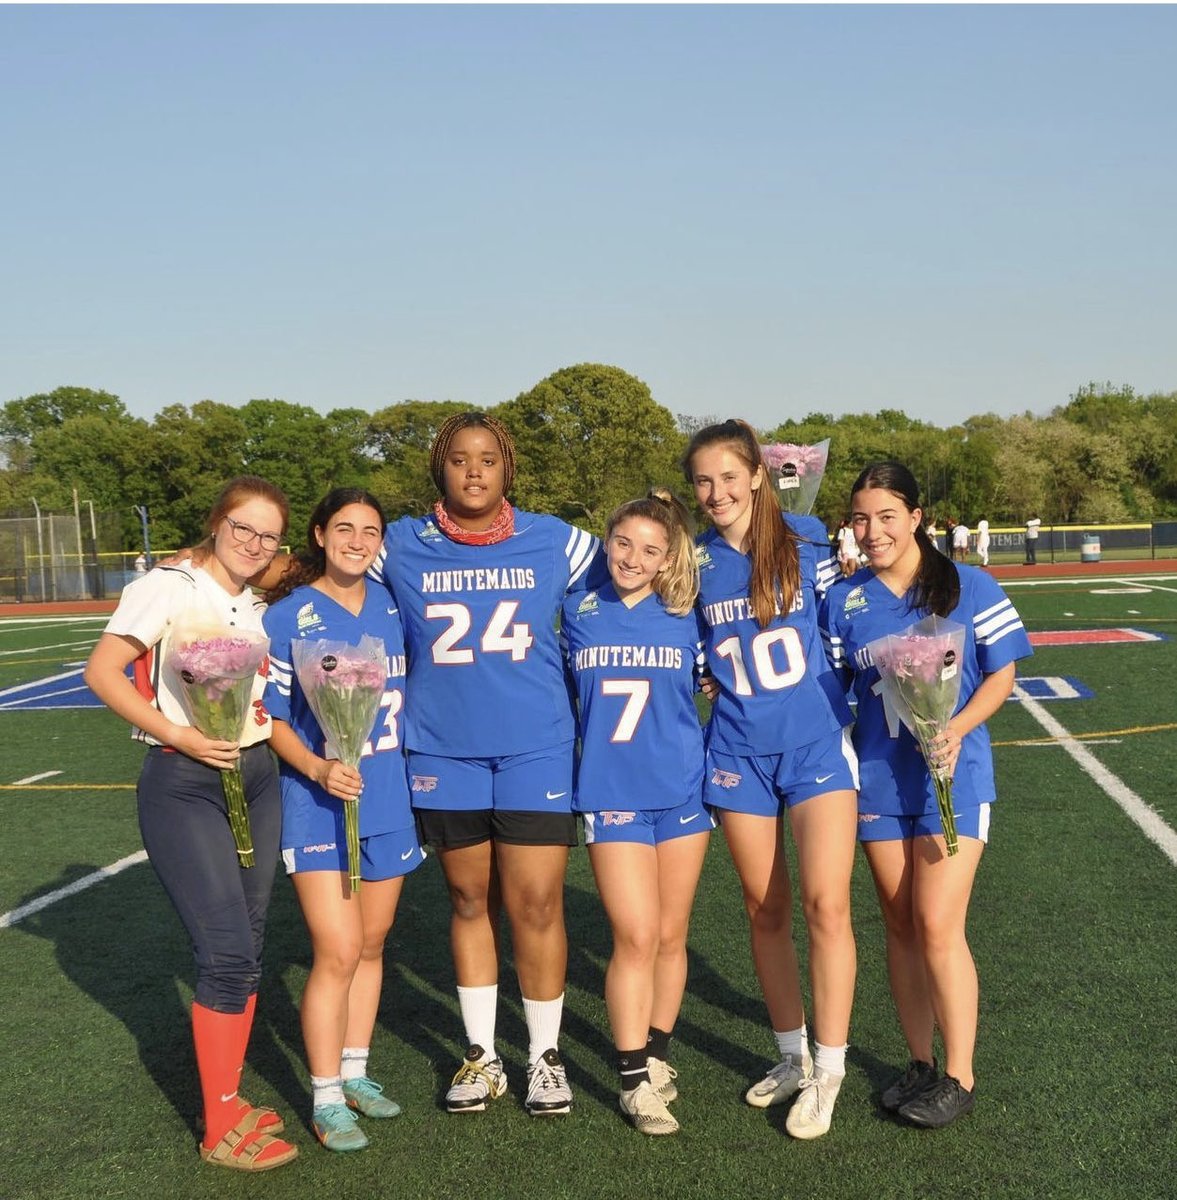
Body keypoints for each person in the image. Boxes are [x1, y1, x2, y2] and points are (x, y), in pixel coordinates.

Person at [371, 412, 601, 1117]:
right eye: (459, 459)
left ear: (508, 468)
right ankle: (481, 1054)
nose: (474, 471)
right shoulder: (399, 543)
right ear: (439, 467)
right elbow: (330, 573)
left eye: (488, 459)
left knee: (536, 904)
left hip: (536, 746)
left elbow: (643, 567)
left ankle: (544, 1056)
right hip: (443, 749)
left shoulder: (557, 540)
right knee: (470, 901)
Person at [83, 477, 298, 1172]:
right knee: (227, 953)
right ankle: (218, 1127)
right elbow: (102, 672)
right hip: (185, 780)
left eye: (268, 535)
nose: (254, 544)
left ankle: (229, 1096)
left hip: (257, 775)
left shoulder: (254, 597)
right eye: (242, 528)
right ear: (216, 522)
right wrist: (175, 733)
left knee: (250, 943)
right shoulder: (168, 585)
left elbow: (314, 562)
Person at [821, 461, 1032, 1129]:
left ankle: (959, 1075)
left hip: (954, 778)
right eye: (861, 519)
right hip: (879, 781)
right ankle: (918, 1062)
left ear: (915, 517)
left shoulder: (969, 584)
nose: (872, 531)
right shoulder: (843, 601)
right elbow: (830, 690)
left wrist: (954, 729)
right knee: (900, 926)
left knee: (938, 924)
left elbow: (1002, 673)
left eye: (887, 516)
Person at [684, 419, 858, 1141]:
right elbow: (691, 650)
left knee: (826, 905)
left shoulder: (807, 539)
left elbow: (843, 626)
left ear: (757, 475)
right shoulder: (692, 561)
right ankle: (791, 1053)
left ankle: (829, 1069)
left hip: (814, 743)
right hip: (737, 750)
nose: (716, 491)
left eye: (729, 476)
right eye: (703, 480)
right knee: (765, 909)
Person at [262, 488, 424, 1153]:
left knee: (372, 943)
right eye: (345, 529)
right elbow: (269, 719)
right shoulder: (288, 618)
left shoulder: (393, 607)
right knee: (336, 949)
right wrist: (317, 768)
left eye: (370, 531)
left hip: (387, 798)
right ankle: (325, 1096)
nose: (358, 541)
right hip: (318, 803)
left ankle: (355, 1072)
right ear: (320, 535)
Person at [562, 489, 711, 1136]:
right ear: (606, 541)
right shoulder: (575, 610)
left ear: (668, 558)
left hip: (681, 790)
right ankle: (630, 1082)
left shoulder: (686, 614)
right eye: (623, 542)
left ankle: (654, 1055)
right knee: (636, 936)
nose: (632, 558)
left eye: (650, 549)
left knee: (671, 935)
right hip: (611, 792)